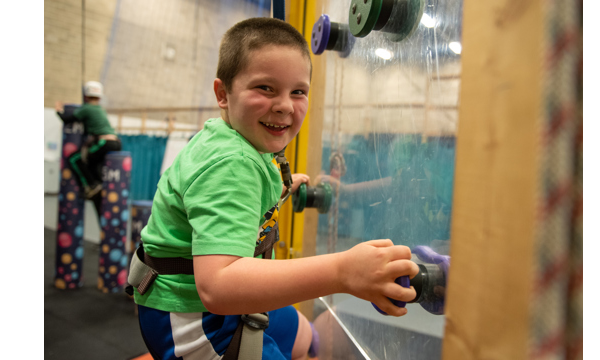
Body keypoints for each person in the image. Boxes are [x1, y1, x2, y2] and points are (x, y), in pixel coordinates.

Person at [132, 18, 419, 360]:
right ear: (223, 94)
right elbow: (219, 286)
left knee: (304, 339)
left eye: (298, 91)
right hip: (192, 318)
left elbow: (226, 202)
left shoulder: (238, 141)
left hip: (193, 296)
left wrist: (282, 187)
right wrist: (343, 272)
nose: (285, 105)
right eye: (265, 88)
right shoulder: (230, 164)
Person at [55, 81, 122, 208]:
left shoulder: (87, 108)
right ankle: (96, 183)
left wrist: (59, 110)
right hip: (115, 142)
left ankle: (91, 185)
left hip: (105, 142)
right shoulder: (99, 109)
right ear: (99, 97)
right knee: (92, 162)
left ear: (86, 96)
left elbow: (67, 119)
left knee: (75, 159)